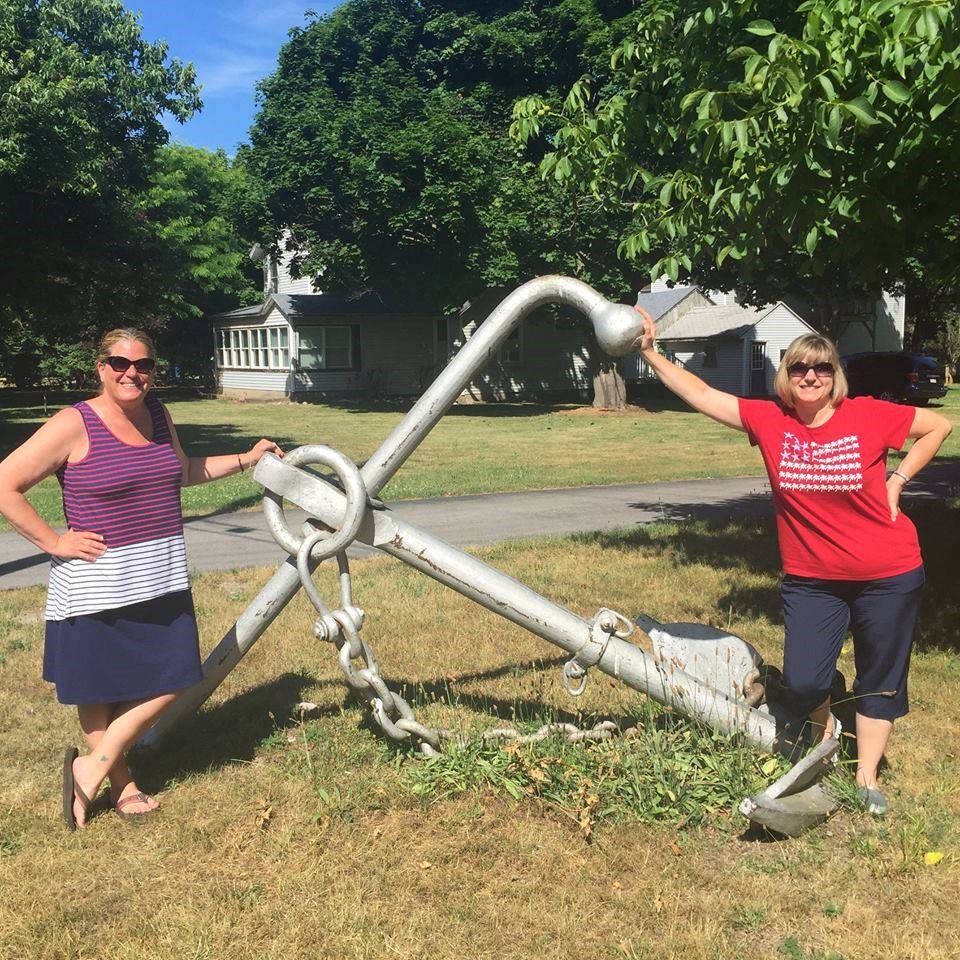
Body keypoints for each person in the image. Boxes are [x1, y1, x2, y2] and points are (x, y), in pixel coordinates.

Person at [634, 312, 952, 814]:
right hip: (813, 581)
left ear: (835, 375)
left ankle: (866, 778)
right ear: (787, 373)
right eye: (800, 366)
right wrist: (650, 353)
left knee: (881, 674)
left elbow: (938, 425)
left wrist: (899, 479)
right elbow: (703, 396)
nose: (810, 375)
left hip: (889, 573)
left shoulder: (867, 414)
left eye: (822, 368)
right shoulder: (770, 419)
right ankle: (822, 740)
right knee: (804, 680)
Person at [0, 328, 284, 829]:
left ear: (153, 369)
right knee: (99, 688)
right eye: (119, 363)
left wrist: (246, 458)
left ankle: (94, 762)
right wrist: (54, 541)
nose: (132, 373)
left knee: (178, 674)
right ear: (100, 368)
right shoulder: (74, 423)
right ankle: (120, 784)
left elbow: (183, 470)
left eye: (144, 365)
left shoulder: (157, 416)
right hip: (95, 581)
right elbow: (7, 483)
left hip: (160, 575)